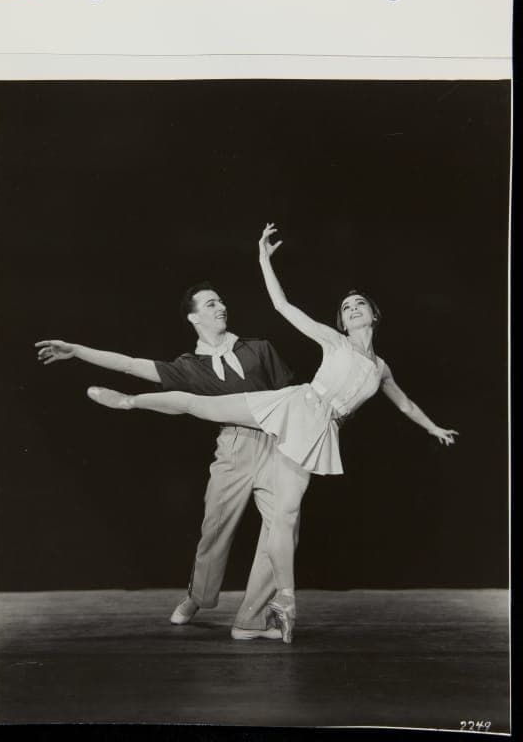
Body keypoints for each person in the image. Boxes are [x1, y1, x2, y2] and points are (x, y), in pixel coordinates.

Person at [85, 223, 458, 644]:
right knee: (199, 420)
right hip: (285, 410)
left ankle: (259, 615)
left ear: (373, 315)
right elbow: (283, 306)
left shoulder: (379, 367)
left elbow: (404, 402)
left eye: (359, 304)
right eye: (347, 305)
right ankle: (131, 402)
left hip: (314, 429)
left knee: (284, 520)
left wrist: (434, 427)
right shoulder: (333, 341)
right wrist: (263, 259)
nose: (352, 308)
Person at [36, 281, 309, 642]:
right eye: (211, 304)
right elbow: (132, 365)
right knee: (214, 532)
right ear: (194, 317)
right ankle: (198, 597)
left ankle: (252, 618)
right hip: (233, 448)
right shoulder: (188, 367)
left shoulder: (259, 348)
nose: (221, 307)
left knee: (282, 531)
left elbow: (293, 396)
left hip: (277, 447)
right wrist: (77, 350)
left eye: (221, 301)